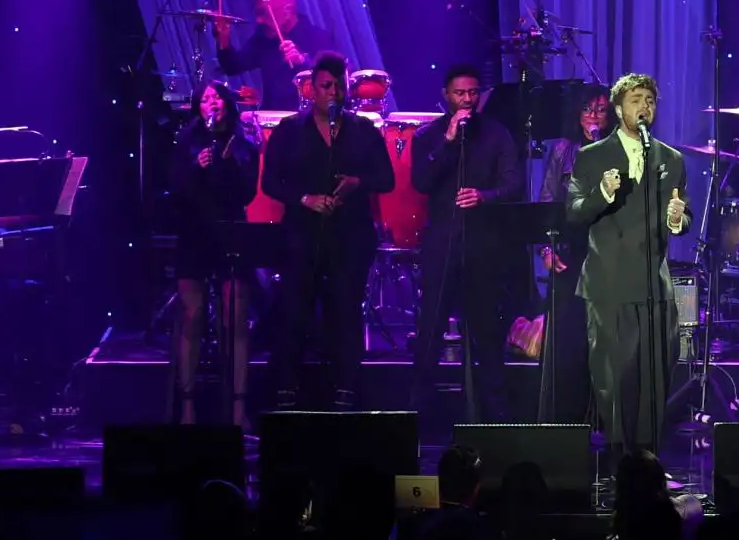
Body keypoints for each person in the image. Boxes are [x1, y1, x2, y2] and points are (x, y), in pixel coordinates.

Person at [261, 52, 395, 410]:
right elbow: (271, 182)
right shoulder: (290, 130)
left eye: (338, 85)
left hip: (350, 236)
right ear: (312, 89)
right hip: (302, 235)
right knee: (295, 308)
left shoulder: (363, 131)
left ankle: (346, 386)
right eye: (325, 85)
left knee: (345, 310)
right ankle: (287, 385)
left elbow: (387, 178)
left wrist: (357, 183)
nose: (332, 92)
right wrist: (305, 198)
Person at [567, 73, 689, 457]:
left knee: (656, 371)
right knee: (615, 375)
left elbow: (681, 218)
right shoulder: (592, 156)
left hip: (654, 282)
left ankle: (649, 455)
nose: (644, 107)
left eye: (650, 100)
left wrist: (676, 219)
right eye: (636, 100)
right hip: (610, 280)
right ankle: (620, 455)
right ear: (619, 109)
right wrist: (602, 193)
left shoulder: (671, 159)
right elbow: (572, 212)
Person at [410, 65, 523, 422]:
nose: (467, 100)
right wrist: (446, 140)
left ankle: (495, 416)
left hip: (483, 246)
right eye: (460, 94)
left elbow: (513, 184)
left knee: (486, 332)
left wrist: (485, 196)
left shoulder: (497, 135)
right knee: (431, 327)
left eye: (473, 93)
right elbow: (422, 182)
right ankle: (419, 413)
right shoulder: (428, 135)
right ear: (447, 95)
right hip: (442, 243)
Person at [168, 82, 260, 427]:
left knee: (233, 319)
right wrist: (196, 166)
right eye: (206, 99)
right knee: (191, 317)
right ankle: (188, 407)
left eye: (217, 97)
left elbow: (248, 192)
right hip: (194, 233)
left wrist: (228, 166)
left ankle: (237, 408)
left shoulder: (243, 145)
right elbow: (175, 189)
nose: (212, 103)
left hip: (230, 232)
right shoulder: (185, 142)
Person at [538, 88, 613, 423]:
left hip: (608, 256)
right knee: (569, 340)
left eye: (600, 110)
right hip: (569, 252)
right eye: (587, 110)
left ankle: (604, 420)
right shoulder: (562, 151)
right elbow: (547, 203)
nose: (594, 116)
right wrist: (546, 248)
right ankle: (566, 421)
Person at [215, 0, 336, 113]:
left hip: (310, 118)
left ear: (287, 11)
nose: (259, 20)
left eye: (264, 13)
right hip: (273, 118)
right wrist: (223, 40)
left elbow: (333, 82)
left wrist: (302, 62)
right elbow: (232, 67)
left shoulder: (317, 37)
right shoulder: (263, 38)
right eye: (257, 14)